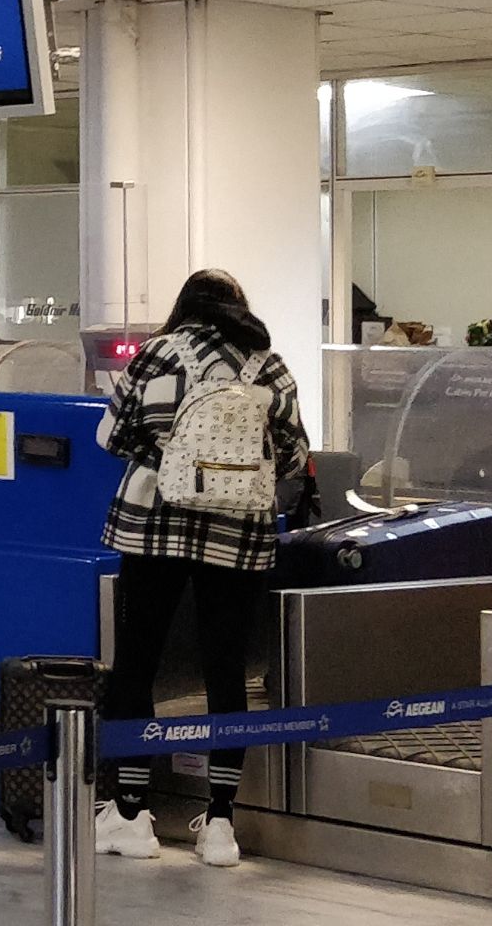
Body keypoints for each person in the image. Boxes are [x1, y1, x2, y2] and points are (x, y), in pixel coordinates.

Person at [92, 269, 309, 868]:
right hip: (239, 530)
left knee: (138, 661)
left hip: (154, 522)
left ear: (183, 304)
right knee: (226, 668)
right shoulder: (268, 365)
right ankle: (220, 825)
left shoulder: (156, 354)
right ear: (240, 307)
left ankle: (133, 814)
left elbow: (110, 436)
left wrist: (166, 455)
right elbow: (293, 454)